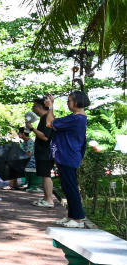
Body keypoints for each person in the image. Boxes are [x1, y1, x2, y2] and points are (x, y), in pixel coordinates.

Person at [48, 90, 89, 227]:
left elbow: (50, 123)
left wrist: (50, 107)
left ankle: (78, 219)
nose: (67, 103)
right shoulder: (77, 118)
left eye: (69, 100)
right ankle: (72, 215)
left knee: (70, 187)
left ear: (77, 102)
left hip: (67, 156)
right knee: (67, 187)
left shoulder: (76, 119)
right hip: (68, 155)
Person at [31, 96, 57, 208]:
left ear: (39, 107)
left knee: (46, 175)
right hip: (43, 152)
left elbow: (45, 137)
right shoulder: (44, 117)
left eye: (34, 106)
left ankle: (49, 200)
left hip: (45, 152)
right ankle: (46, 198)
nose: (33, 109)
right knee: (44, 175)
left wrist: (31, 128)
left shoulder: (47, 117)